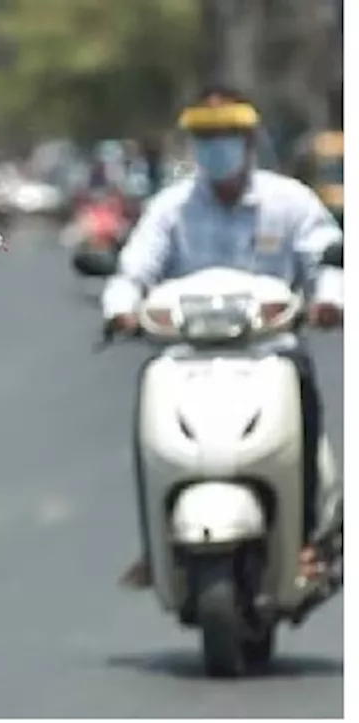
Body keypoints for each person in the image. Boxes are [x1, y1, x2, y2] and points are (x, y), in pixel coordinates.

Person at [102, 86, 344, 589]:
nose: (217, 147)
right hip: (186, 356)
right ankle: (156, 543)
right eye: (205, 137)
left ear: (250, 139)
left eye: (226, 135)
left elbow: (325, 254)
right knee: (147, 422)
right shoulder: (171, 209)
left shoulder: (290, 202)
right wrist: (121, 310)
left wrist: (328, 299)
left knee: (302, 402)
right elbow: (134, 268)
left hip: (269, 349)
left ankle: (303, 541)